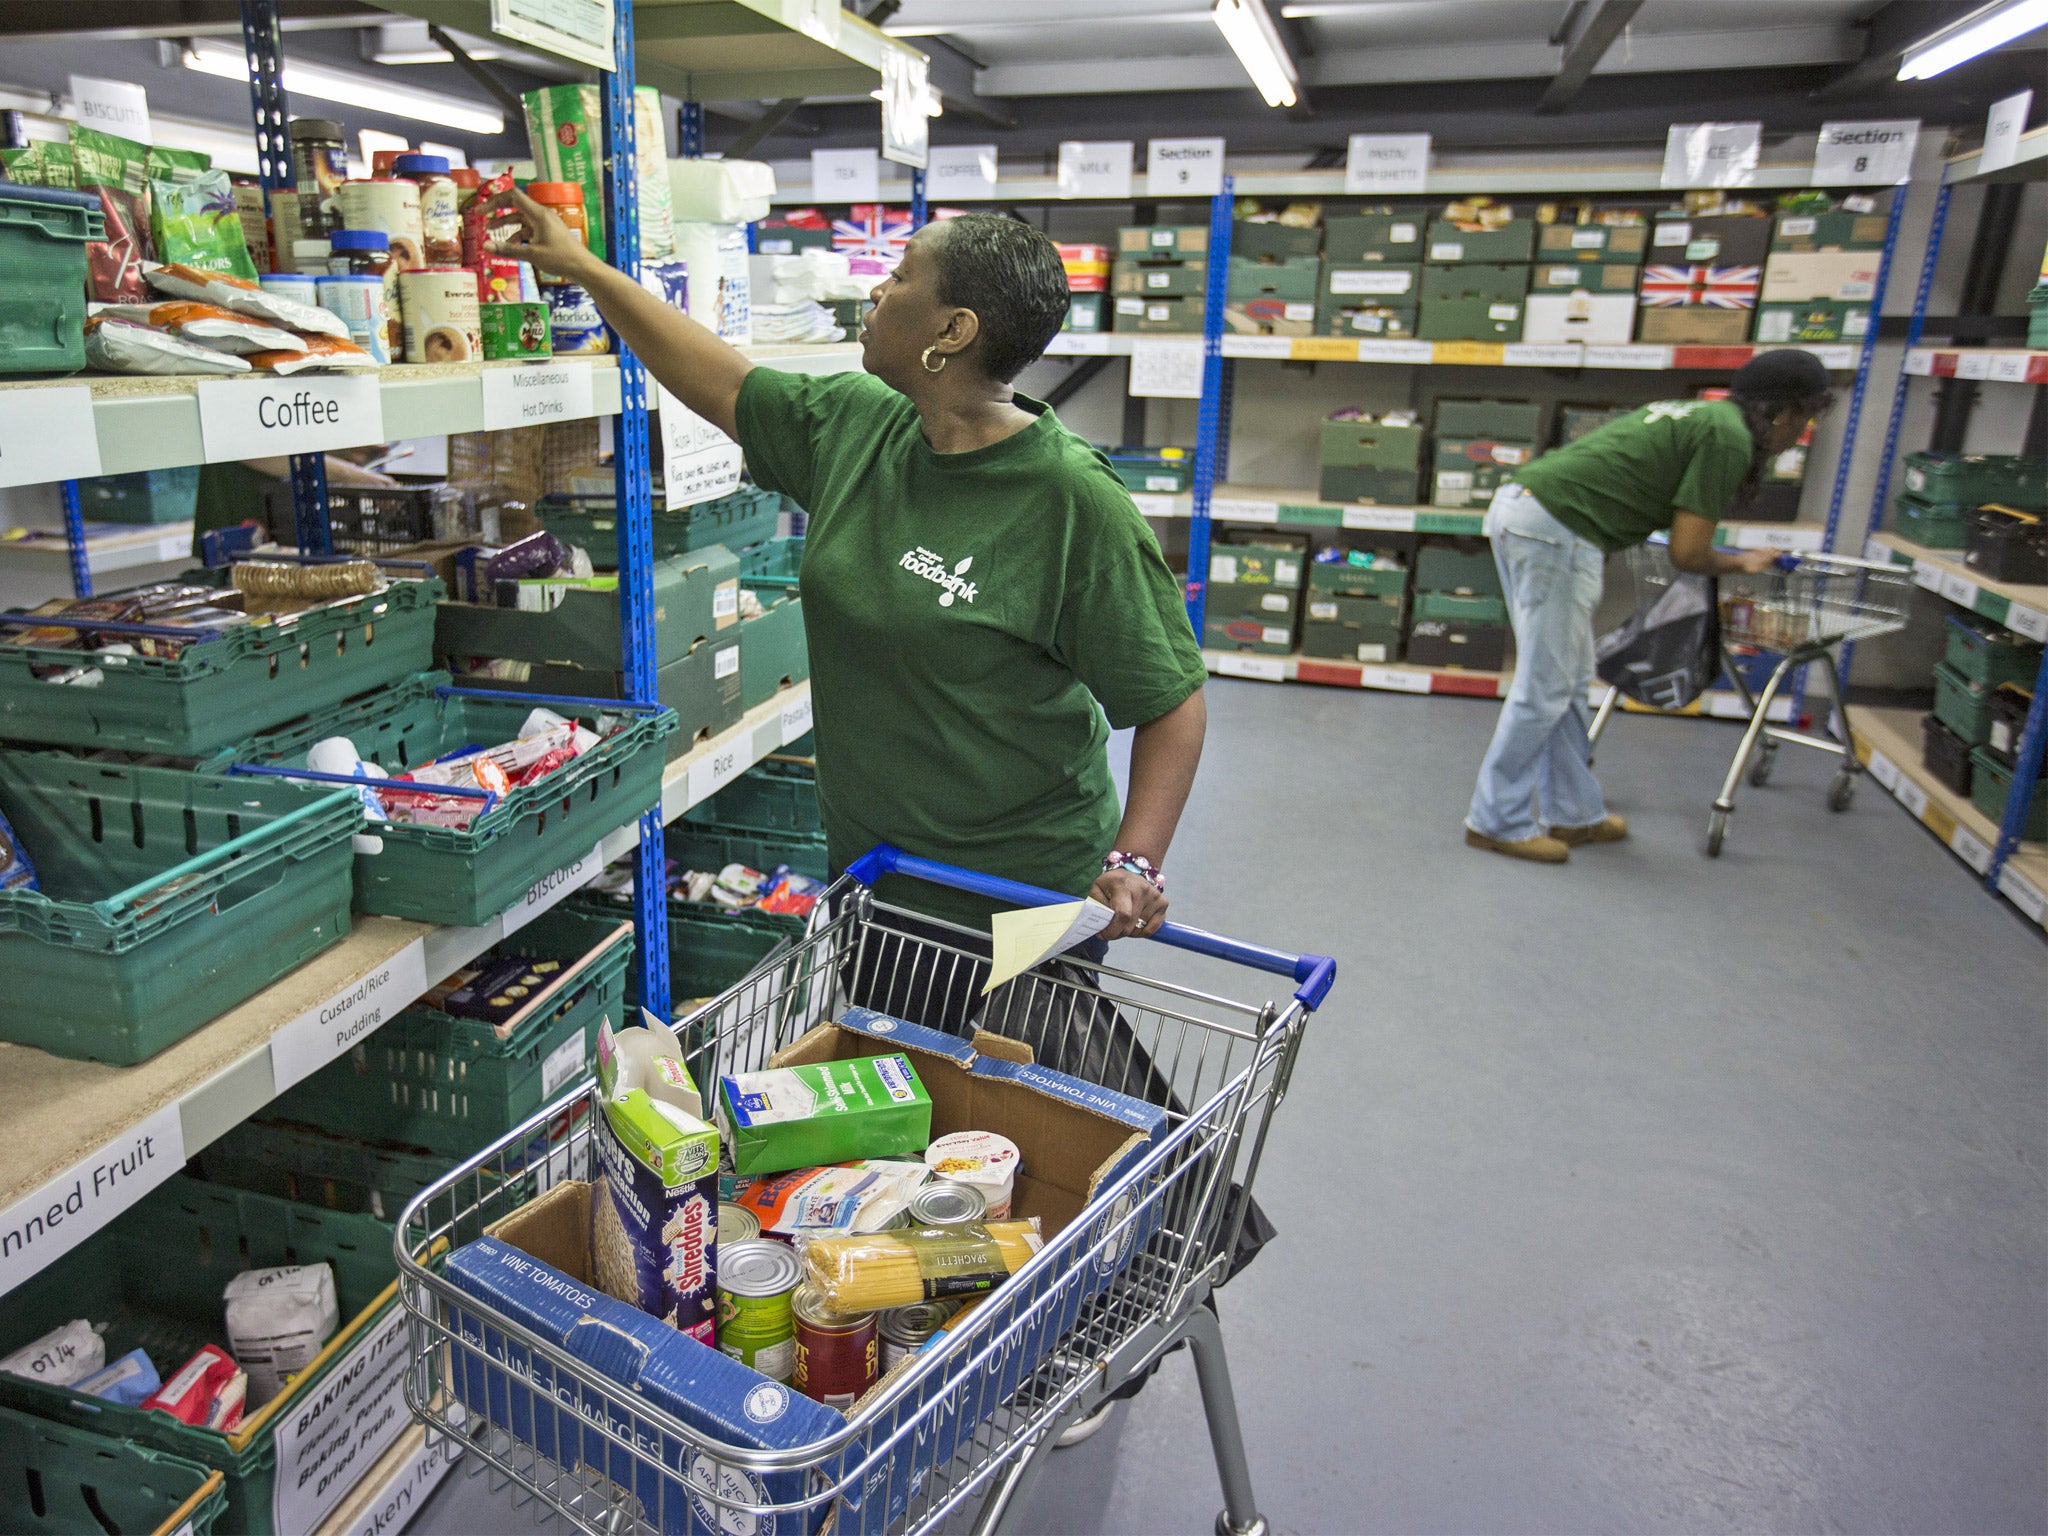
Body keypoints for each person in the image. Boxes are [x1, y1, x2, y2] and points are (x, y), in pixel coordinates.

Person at [490, 194, 1209, 946]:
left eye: (899, 277)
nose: (875, 290)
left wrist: (1136, 861)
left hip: (1015, 898)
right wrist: (583, 268)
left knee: (978, 1066)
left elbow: (1171, 699)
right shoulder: (856, 427)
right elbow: (726, 383)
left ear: (952, 330)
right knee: (883, 1060)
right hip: (871, 873)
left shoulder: (1071, 500)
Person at [1464, 349, 1834, 864]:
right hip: (1556, 531)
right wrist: (1742, 563)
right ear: (1782, 412)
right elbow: (1688, 552)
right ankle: (1495, 821)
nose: (1804, 432)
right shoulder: (1728, 438)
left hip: (1536, 515)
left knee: (1568, 681)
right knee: (1545, 686)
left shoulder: (1707, 417)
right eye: (1808, 417)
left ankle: (1573, 813)